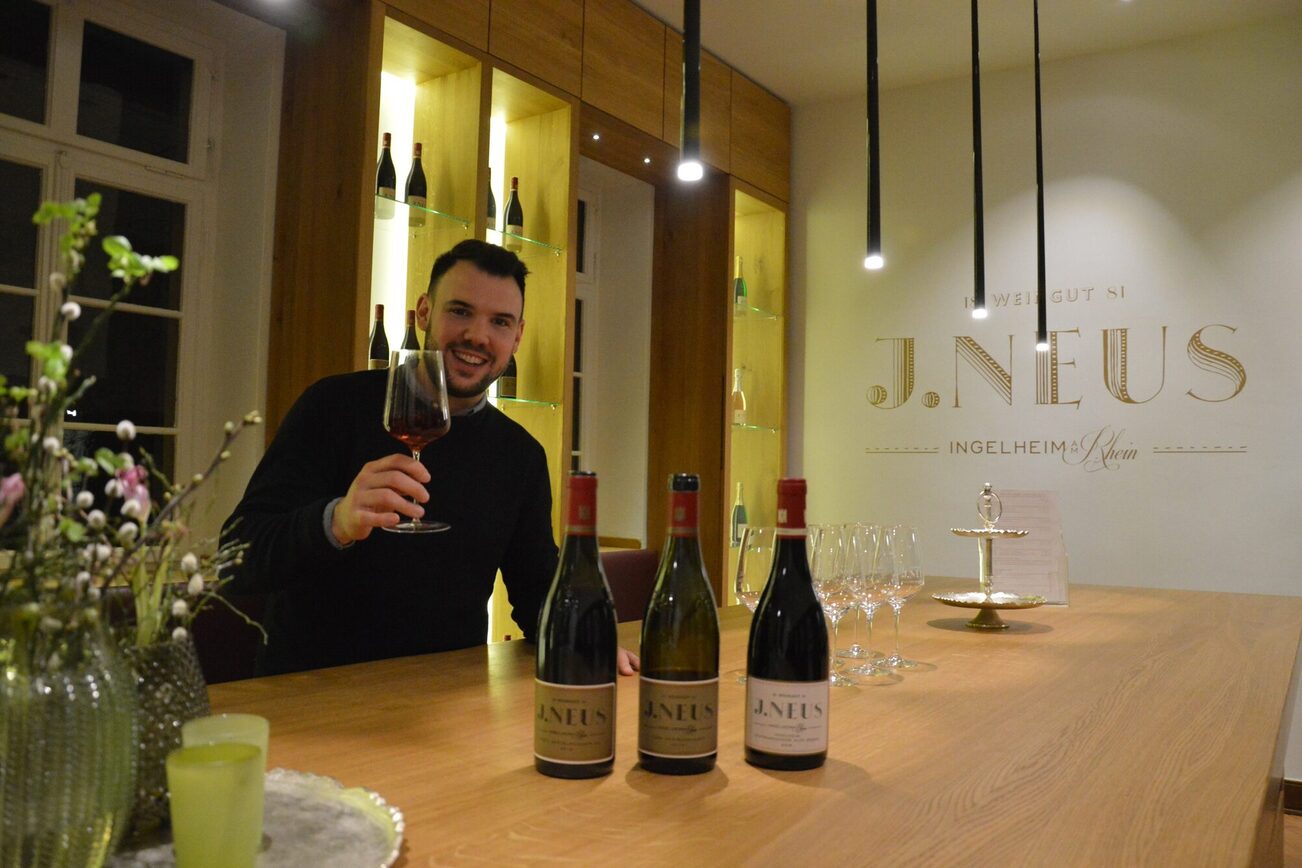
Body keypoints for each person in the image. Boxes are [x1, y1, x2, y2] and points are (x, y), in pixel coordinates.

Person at [223, 240, 638, 676]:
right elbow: (236, 560)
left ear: (517, 337)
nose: (478, 335)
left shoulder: (519, 455)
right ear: (423, 312)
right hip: (314, 692)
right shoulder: (333, 406)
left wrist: (581, 635)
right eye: (460, 311)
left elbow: (536, 587)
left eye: (500, 322)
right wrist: (336, 522)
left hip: (447, 698)